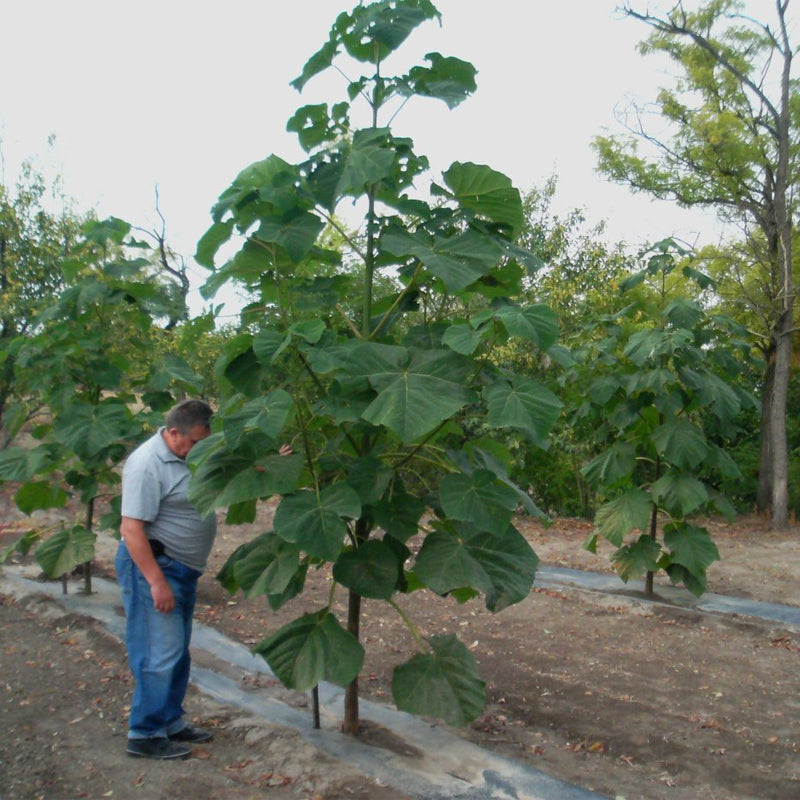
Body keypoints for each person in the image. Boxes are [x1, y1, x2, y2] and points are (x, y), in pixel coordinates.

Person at [115, 399, 217, 760]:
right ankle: (144, 734)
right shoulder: (147, 464)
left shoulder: (190, 453)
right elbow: (131, 529)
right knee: (158, 654)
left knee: (176, 651)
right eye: (192, 443)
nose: (197, 450)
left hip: (182, 569)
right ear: (174, 433)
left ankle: (170, 721)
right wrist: (156, 581)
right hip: (155, 568)